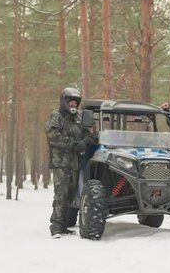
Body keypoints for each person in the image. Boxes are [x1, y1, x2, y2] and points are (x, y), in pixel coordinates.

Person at [46, 87, 94, 238]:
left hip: (75, 163)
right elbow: (53, 136)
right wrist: (73, 144)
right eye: (71, 102)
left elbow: (88, 133)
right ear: (64, 102)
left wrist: (86, 140)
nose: (73, 105)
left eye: (75, 102)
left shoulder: (78, 118)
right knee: (61, 194)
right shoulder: (56, 116)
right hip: (61, 162)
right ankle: (56, 227)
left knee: (71, 195)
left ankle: (64, 225)